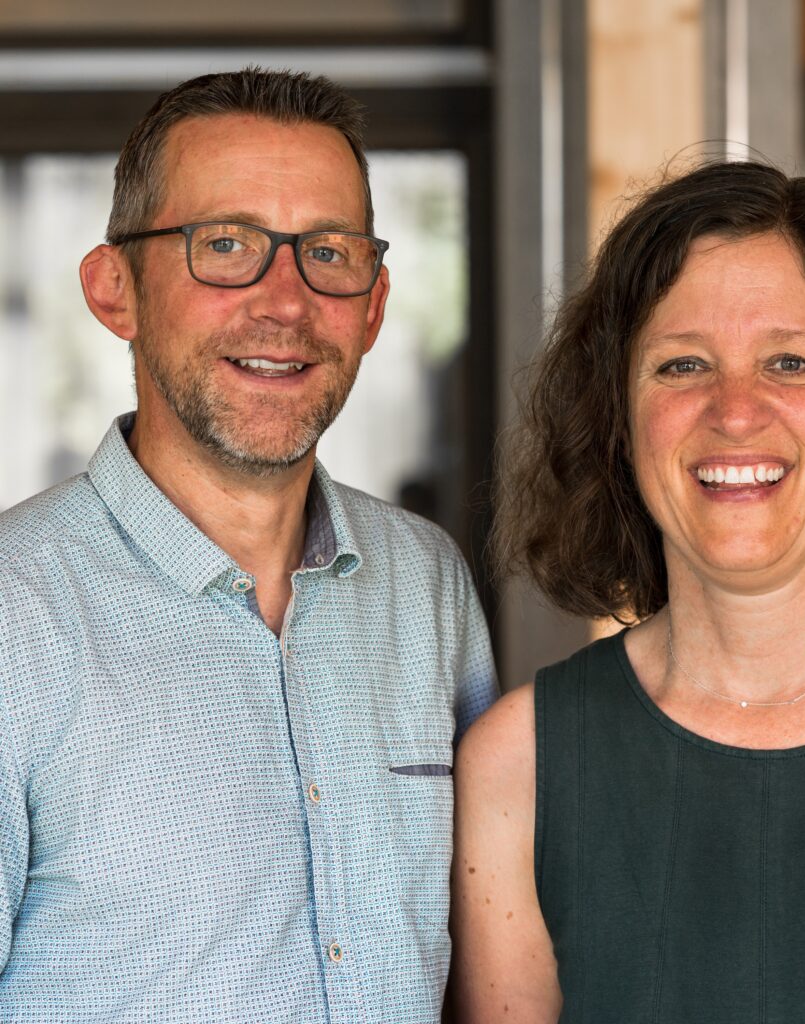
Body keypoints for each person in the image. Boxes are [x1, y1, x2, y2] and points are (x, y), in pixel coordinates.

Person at [451, 161, 805, 1023]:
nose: (736, 410)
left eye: (790, 362)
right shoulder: (517, 765)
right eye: (682, 365)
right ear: (618, 417)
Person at [0, 68, 497, 1023]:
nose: (285, 302)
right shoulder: (14, 614)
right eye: (225, 244)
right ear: (115, 289)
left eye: (328, 252)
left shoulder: (427, 582)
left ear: (375, 305)